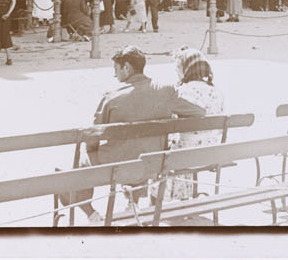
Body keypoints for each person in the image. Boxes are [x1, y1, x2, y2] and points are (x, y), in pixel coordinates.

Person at [70, 46, 206, 223]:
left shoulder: (111, 98)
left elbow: (93, 137)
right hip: (153, 165)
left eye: (116, 70)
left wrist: (91, 153)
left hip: (117, 166)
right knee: (140, 149)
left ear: (127, 68)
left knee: (78, 165)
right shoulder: (165, 91)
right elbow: (198, 112)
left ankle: (91, 214)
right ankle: (132, 201)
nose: (115, 75)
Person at [166, 49, 225, 201]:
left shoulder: (182, 91)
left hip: (186, 152)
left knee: (165, 148)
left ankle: (170, 197)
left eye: (178, 68)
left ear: (186, 69)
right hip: (211, 151)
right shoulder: (217, 91)